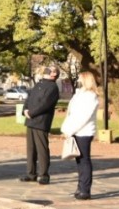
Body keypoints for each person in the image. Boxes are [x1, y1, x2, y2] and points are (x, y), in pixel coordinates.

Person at [60, 71, 99, 200]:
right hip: (75, 131)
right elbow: (71, 113)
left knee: (84, 160)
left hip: (84, 132)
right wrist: (66, 128)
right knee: (79, 160)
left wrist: (70, 129)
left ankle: (85, 189)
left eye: (81, 78)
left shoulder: (91, 96)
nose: (79, 80)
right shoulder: (79, 94)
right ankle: (80, 187)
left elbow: (84, 117)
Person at [20, 65, 60, 185]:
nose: (47, 70)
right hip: (31, 120)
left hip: (41, 121)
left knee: (42, 149)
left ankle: (44, 175)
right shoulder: (39, 84)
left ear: (54, 74)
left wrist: (32, 113)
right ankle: (31, 173)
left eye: (51, 70)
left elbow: (45, 104)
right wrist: (25, 110)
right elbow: (29, 98)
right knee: (31, 149)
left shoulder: (53, 87)